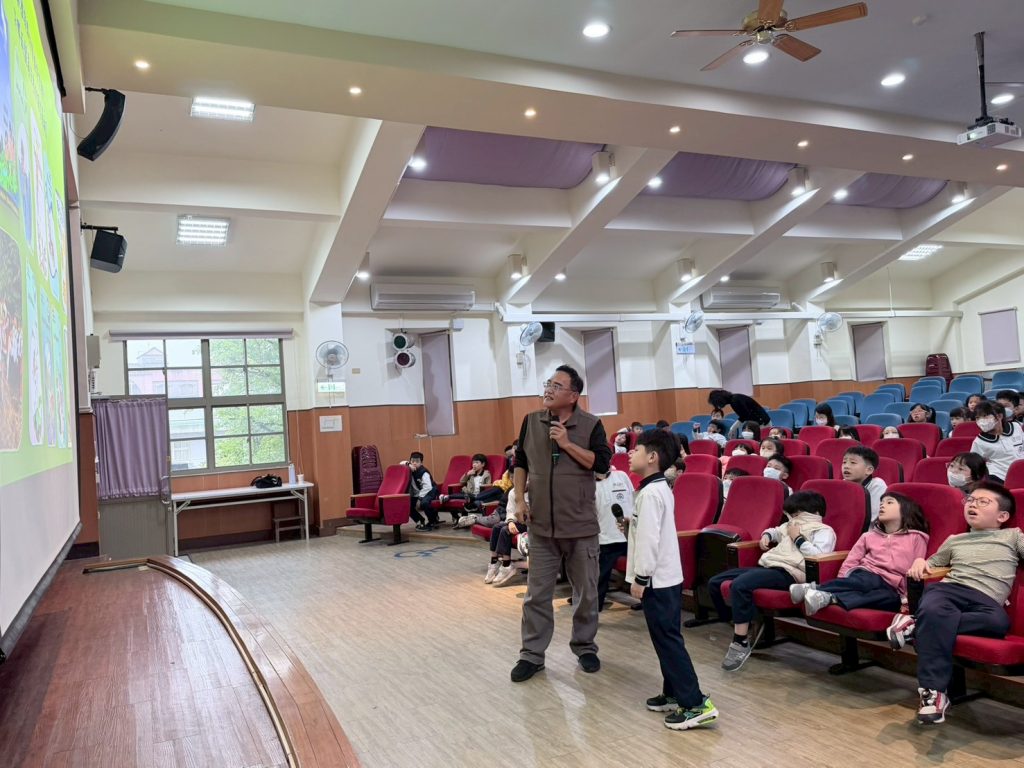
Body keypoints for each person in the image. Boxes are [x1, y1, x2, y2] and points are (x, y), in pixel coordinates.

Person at [888, 482, 1024, 725]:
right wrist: (920, 561)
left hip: (985, 601)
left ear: (1002, 516)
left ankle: (916, 624)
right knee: (935, 609)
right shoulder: (955, 539)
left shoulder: (1012, 535)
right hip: (949, 591)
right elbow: (932, 564)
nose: (973, 505)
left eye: (983, 502)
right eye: (970, 500)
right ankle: (933, 694)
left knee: (998, 623)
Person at [510, 365, 612, 683]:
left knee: (587, 593)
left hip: (580, 526)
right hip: (541, 525)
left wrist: (567, 444)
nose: (548, 390)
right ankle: (532, 655)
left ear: (573, 395)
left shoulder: (591, 424)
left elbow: (602, 464)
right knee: (536, 595)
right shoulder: (531, 421)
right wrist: (520, 500)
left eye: (556, 386)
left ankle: (585, 647)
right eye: (548, 384)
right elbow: (520, 462)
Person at [626, 429, 718, 730]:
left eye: (637, 450)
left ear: (652, 457)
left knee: (668, 640)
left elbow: (650, 540)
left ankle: (694, 703)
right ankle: (673, 692)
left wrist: (640, 577)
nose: (630, 454)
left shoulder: (652, 493)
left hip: (657, 579)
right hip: (664, 577)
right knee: (664, 637)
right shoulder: (655, 488)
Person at [709, 490, 835, 671]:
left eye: (797, 514)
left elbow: (819, 556)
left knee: (739, 585)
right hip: (769, 566)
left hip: (790, 573)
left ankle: (740, 642)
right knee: (715, 582)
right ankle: (746, 622)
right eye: (791, 515)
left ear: (814, 513)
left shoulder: (824, 531)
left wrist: (798, 538)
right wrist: (767, 536)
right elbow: (775, 531)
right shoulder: (789, 525)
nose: (793, 518)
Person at [790, 492, 929, 615]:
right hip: (866, 575)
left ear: (905, 509)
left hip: (892, 587)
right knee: (869, 581)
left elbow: (917, 565)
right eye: (881, 502)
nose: (882, 505)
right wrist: (842, 581)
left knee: (891, 600)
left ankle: (829, 597)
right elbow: (851, 560)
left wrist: (906, 597)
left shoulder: (917, 537)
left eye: (889, 502)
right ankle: (817, 588)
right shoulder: (868, 536)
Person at [593, 466, 634, 611]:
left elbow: (633, 500)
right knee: (601, 577)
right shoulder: (587, 483)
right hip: (605, 540)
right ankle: (594, 608)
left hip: (630, 537)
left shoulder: (621, 476)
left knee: (643, 570)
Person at [969, 401, 1024, 482]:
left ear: (999, 416)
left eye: (985, 416)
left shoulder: (1016, 427)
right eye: (978, 418)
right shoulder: (979, 442)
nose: (981, 421)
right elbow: (974, 465)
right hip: (999, 477)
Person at [485, 486, 528, 586]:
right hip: (517, 521)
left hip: (530, 524)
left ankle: (506, 565)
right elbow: (510, 511)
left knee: (505, 530)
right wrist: (510, 521)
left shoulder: (537, 490)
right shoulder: (513, 491)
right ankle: (494, 562)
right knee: (496, 527)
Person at [841, 445, 886, 522]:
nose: (846, 466)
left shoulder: (877, 484)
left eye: (853, 462)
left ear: (869, 470)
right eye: (844, 462)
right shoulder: (842, 484)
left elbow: (871, 517)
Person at [406, 452, 440, 530]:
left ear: (421, 463)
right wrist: (408, 464)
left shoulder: (423, 472)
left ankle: (432, 521)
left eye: (417, 461)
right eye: (412, 461)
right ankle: (420, 520)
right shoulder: (409, 469)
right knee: (407, 505)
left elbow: (428, 487)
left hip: (430, 491)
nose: (414, 463)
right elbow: (401, 463)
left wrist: (419, 498)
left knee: (424, 503)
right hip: (418, 493)